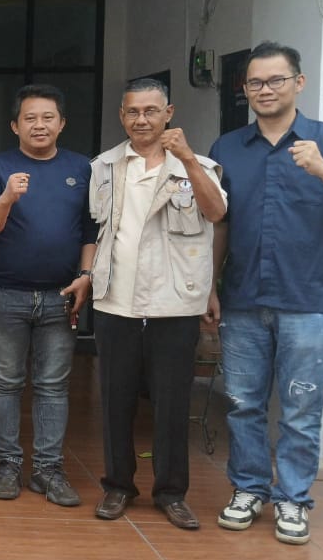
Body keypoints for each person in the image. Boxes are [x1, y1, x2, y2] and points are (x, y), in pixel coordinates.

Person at [207, 42, 323, 545]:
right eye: (255, 82)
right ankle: (249, 489)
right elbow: (220, 222)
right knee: (243, 404)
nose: (265, 90)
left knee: (300, 408)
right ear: (245, 89)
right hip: (242, 298)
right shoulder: (227, 148)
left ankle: (293, 498)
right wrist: (210, 286)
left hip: (308, 300)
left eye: (275, 80)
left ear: (299, 82)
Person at [89, 78, 226, 531]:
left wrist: (187, 159)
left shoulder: (200, 165)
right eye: (132, 111)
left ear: (169, 113)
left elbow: (216, 212)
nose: (141, 119)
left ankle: (171, 492)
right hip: (116, 301)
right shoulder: (104, 166)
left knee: (171, 403)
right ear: (122, 116)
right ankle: (117, 486)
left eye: (151, 111)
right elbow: (98, 228)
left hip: (174, 302)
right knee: (116, 401)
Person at [0, 84, 96, 508]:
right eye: (30, 118)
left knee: (53, 386)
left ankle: (48, 469)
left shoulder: (82, 168)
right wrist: (8, 197)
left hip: (60, 295)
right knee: (5, 383)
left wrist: (86, 275)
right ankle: (7, 465)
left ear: (62, 123)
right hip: (4, 294)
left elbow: (90, 230)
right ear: (15, 126)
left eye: (48, 117)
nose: (39, 125)